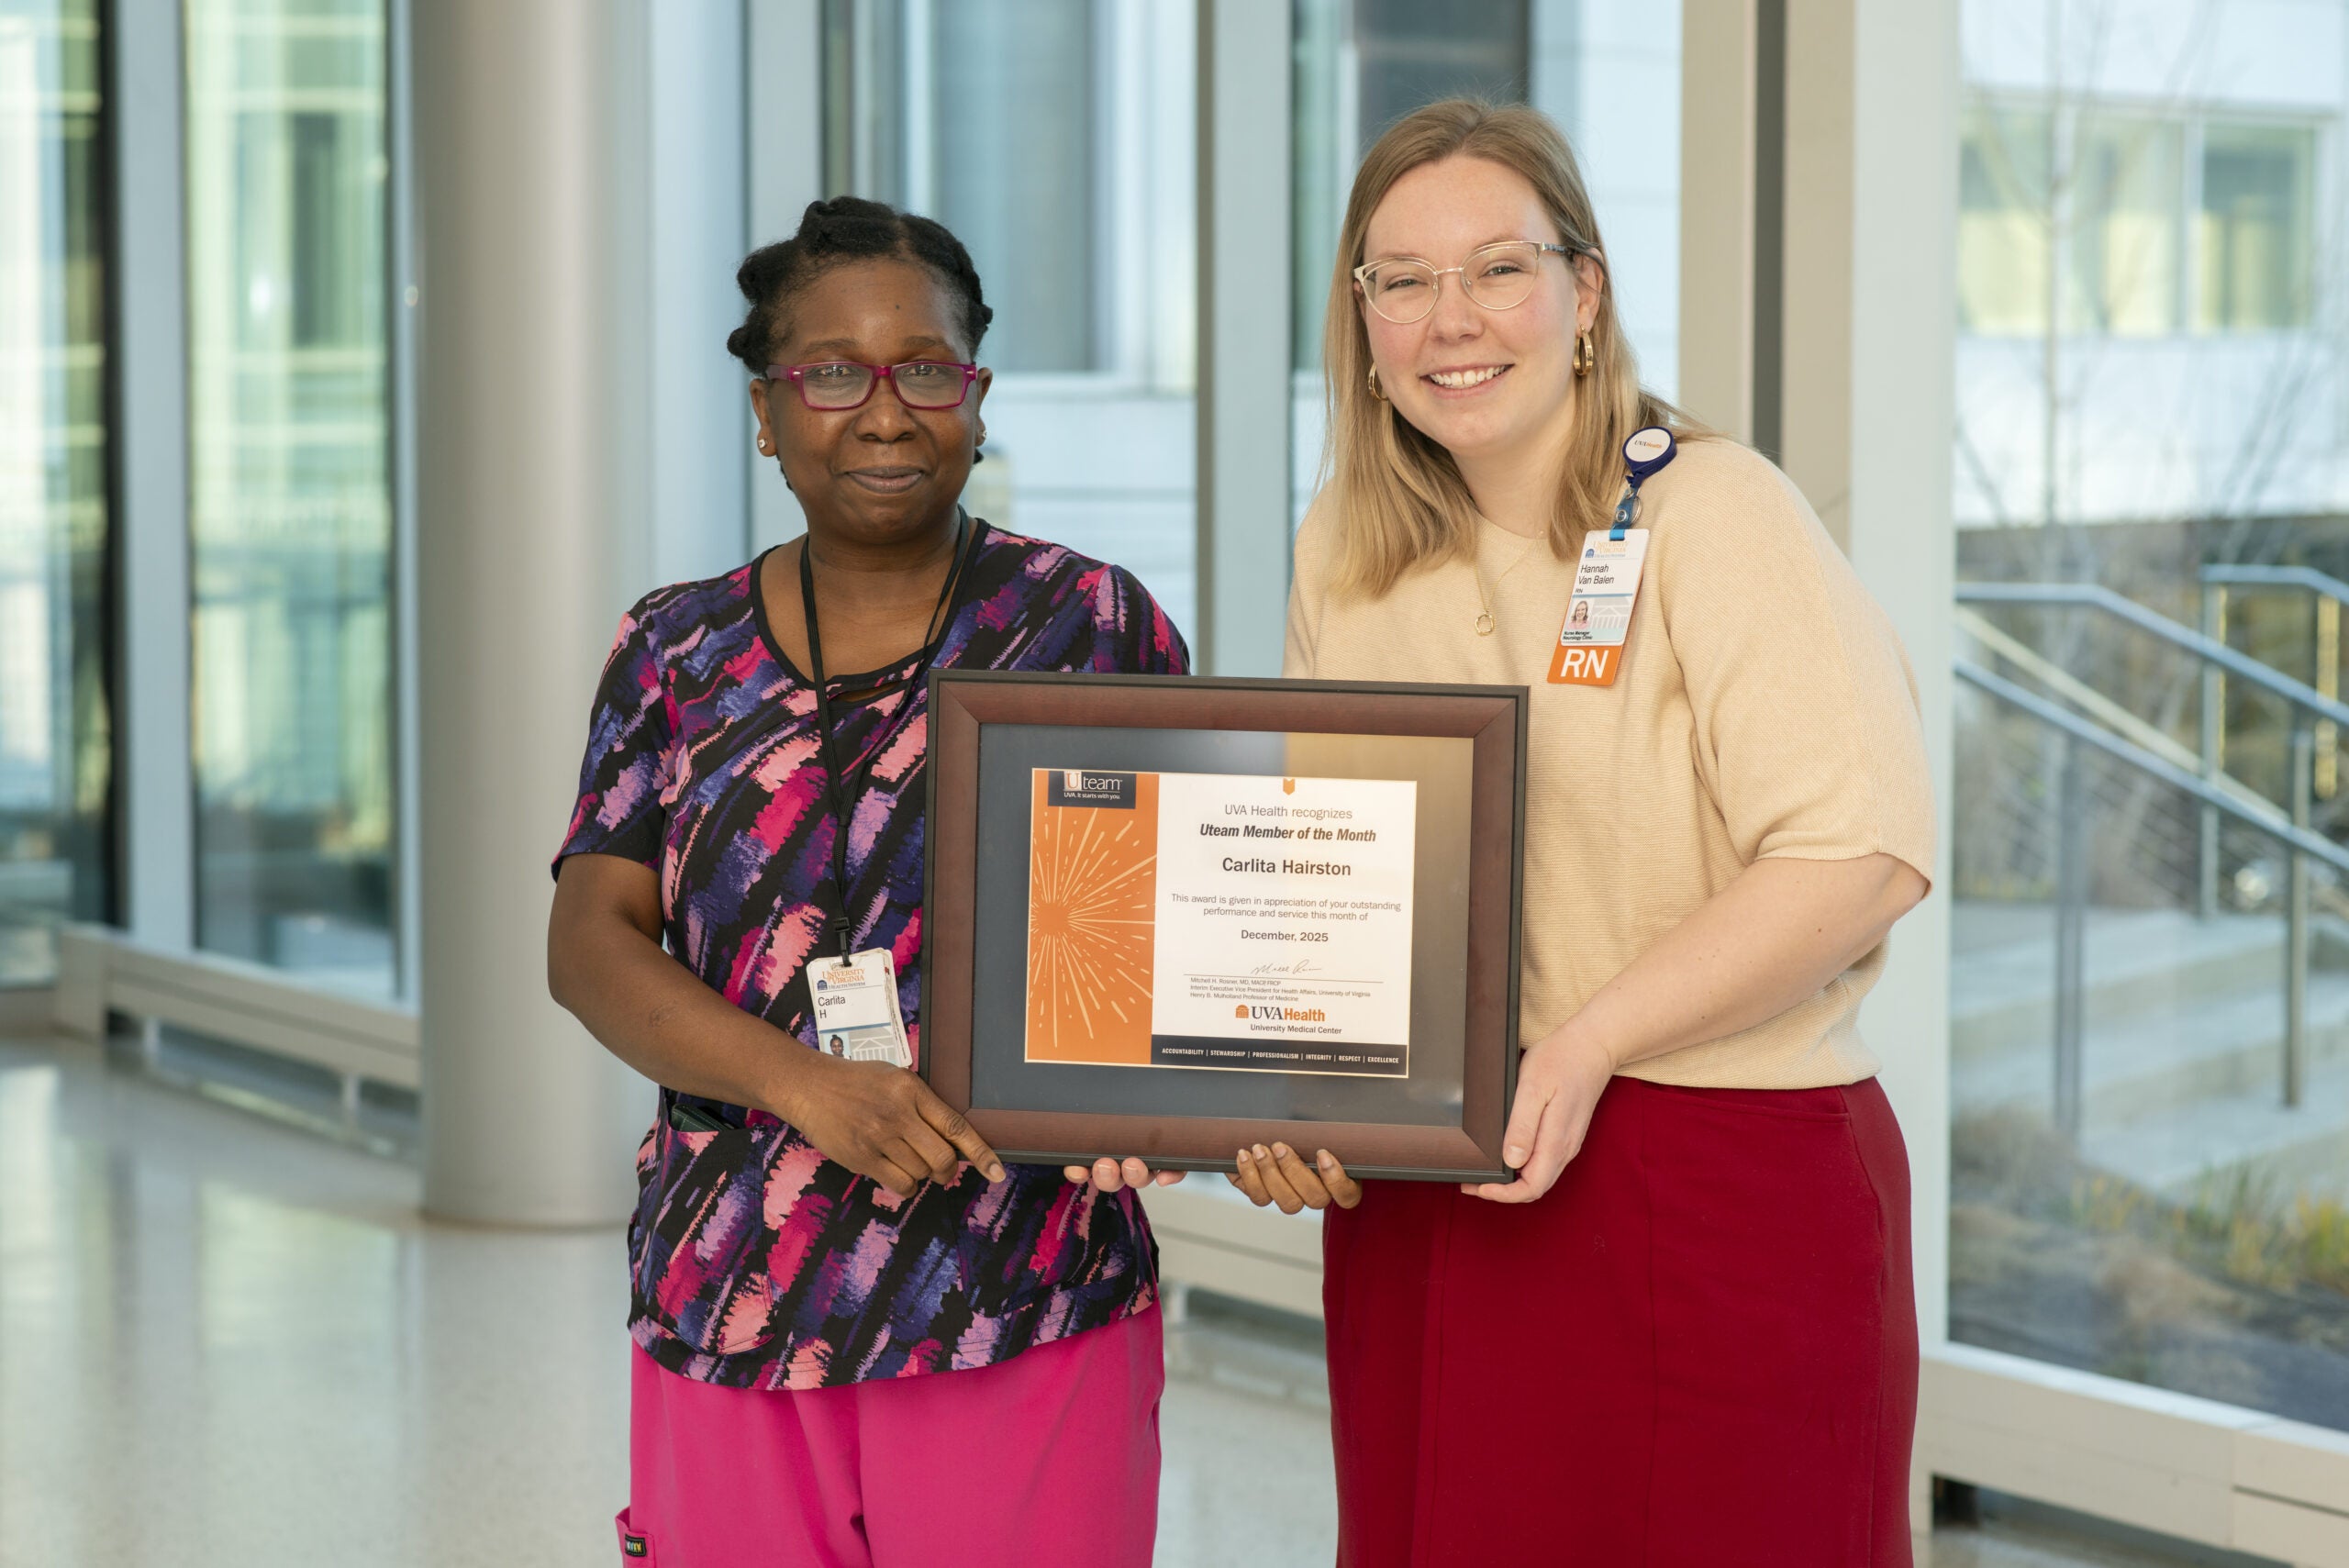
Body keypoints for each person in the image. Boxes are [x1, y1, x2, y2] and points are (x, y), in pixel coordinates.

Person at [1230, 100, 1933, 1567]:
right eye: (1402, 279)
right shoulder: (1345, 550)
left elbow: (1860, 855)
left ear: (1586, 291)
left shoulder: (1717, 513)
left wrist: (1589, 1039)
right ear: (1360, 317)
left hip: (1718, 1180)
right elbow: (1326, 889)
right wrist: (1269, 1088)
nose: (1451, 319)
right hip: (1433, 1196)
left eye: (1500, 267)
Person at [547, 196, 1187, 1568]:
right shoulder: (674, 650)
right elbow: (590, 942)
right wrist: (804, 1083)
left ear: (978, 395)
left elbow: (1181, 926)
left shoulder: (1090, 625)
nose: (885, 413)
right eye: (832, 373)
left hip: (1023, 1285)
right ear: (767, 412)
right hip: (735, 1281)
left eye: (926, 369)